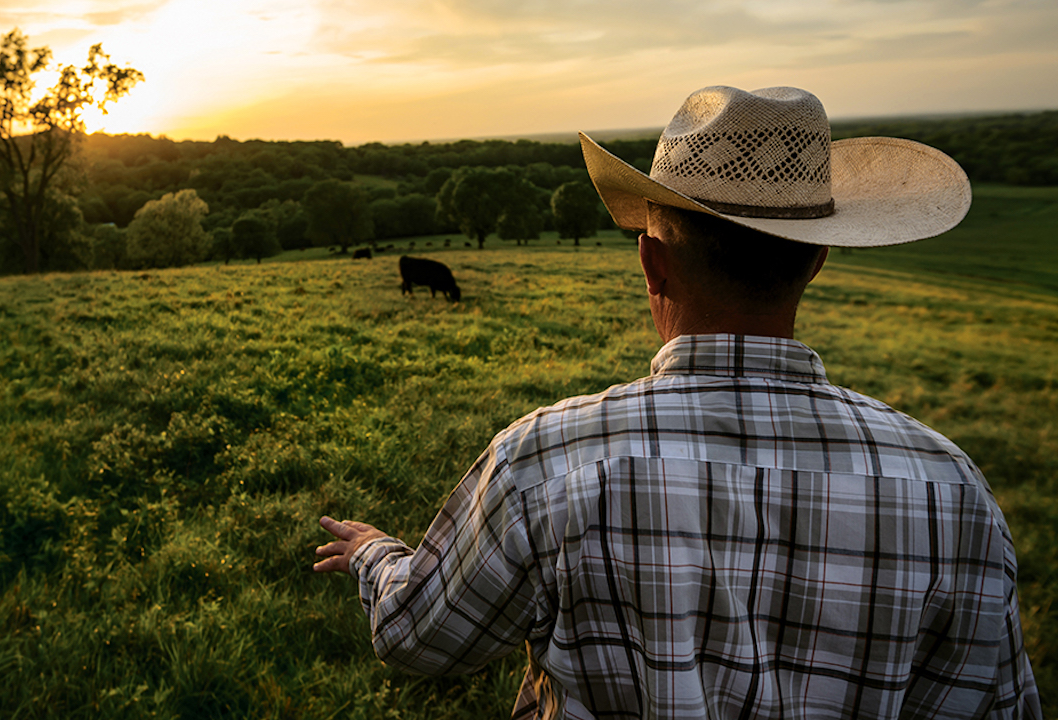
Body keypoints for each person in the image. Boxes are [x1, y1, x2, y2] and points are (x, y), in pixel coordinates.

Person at [314, 86, 1041, 719]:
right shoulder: (951, 491)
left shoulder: (543, 461)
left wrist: (376, 555)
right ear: (816, 261)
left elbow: (417, 639)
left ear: (652, 264)